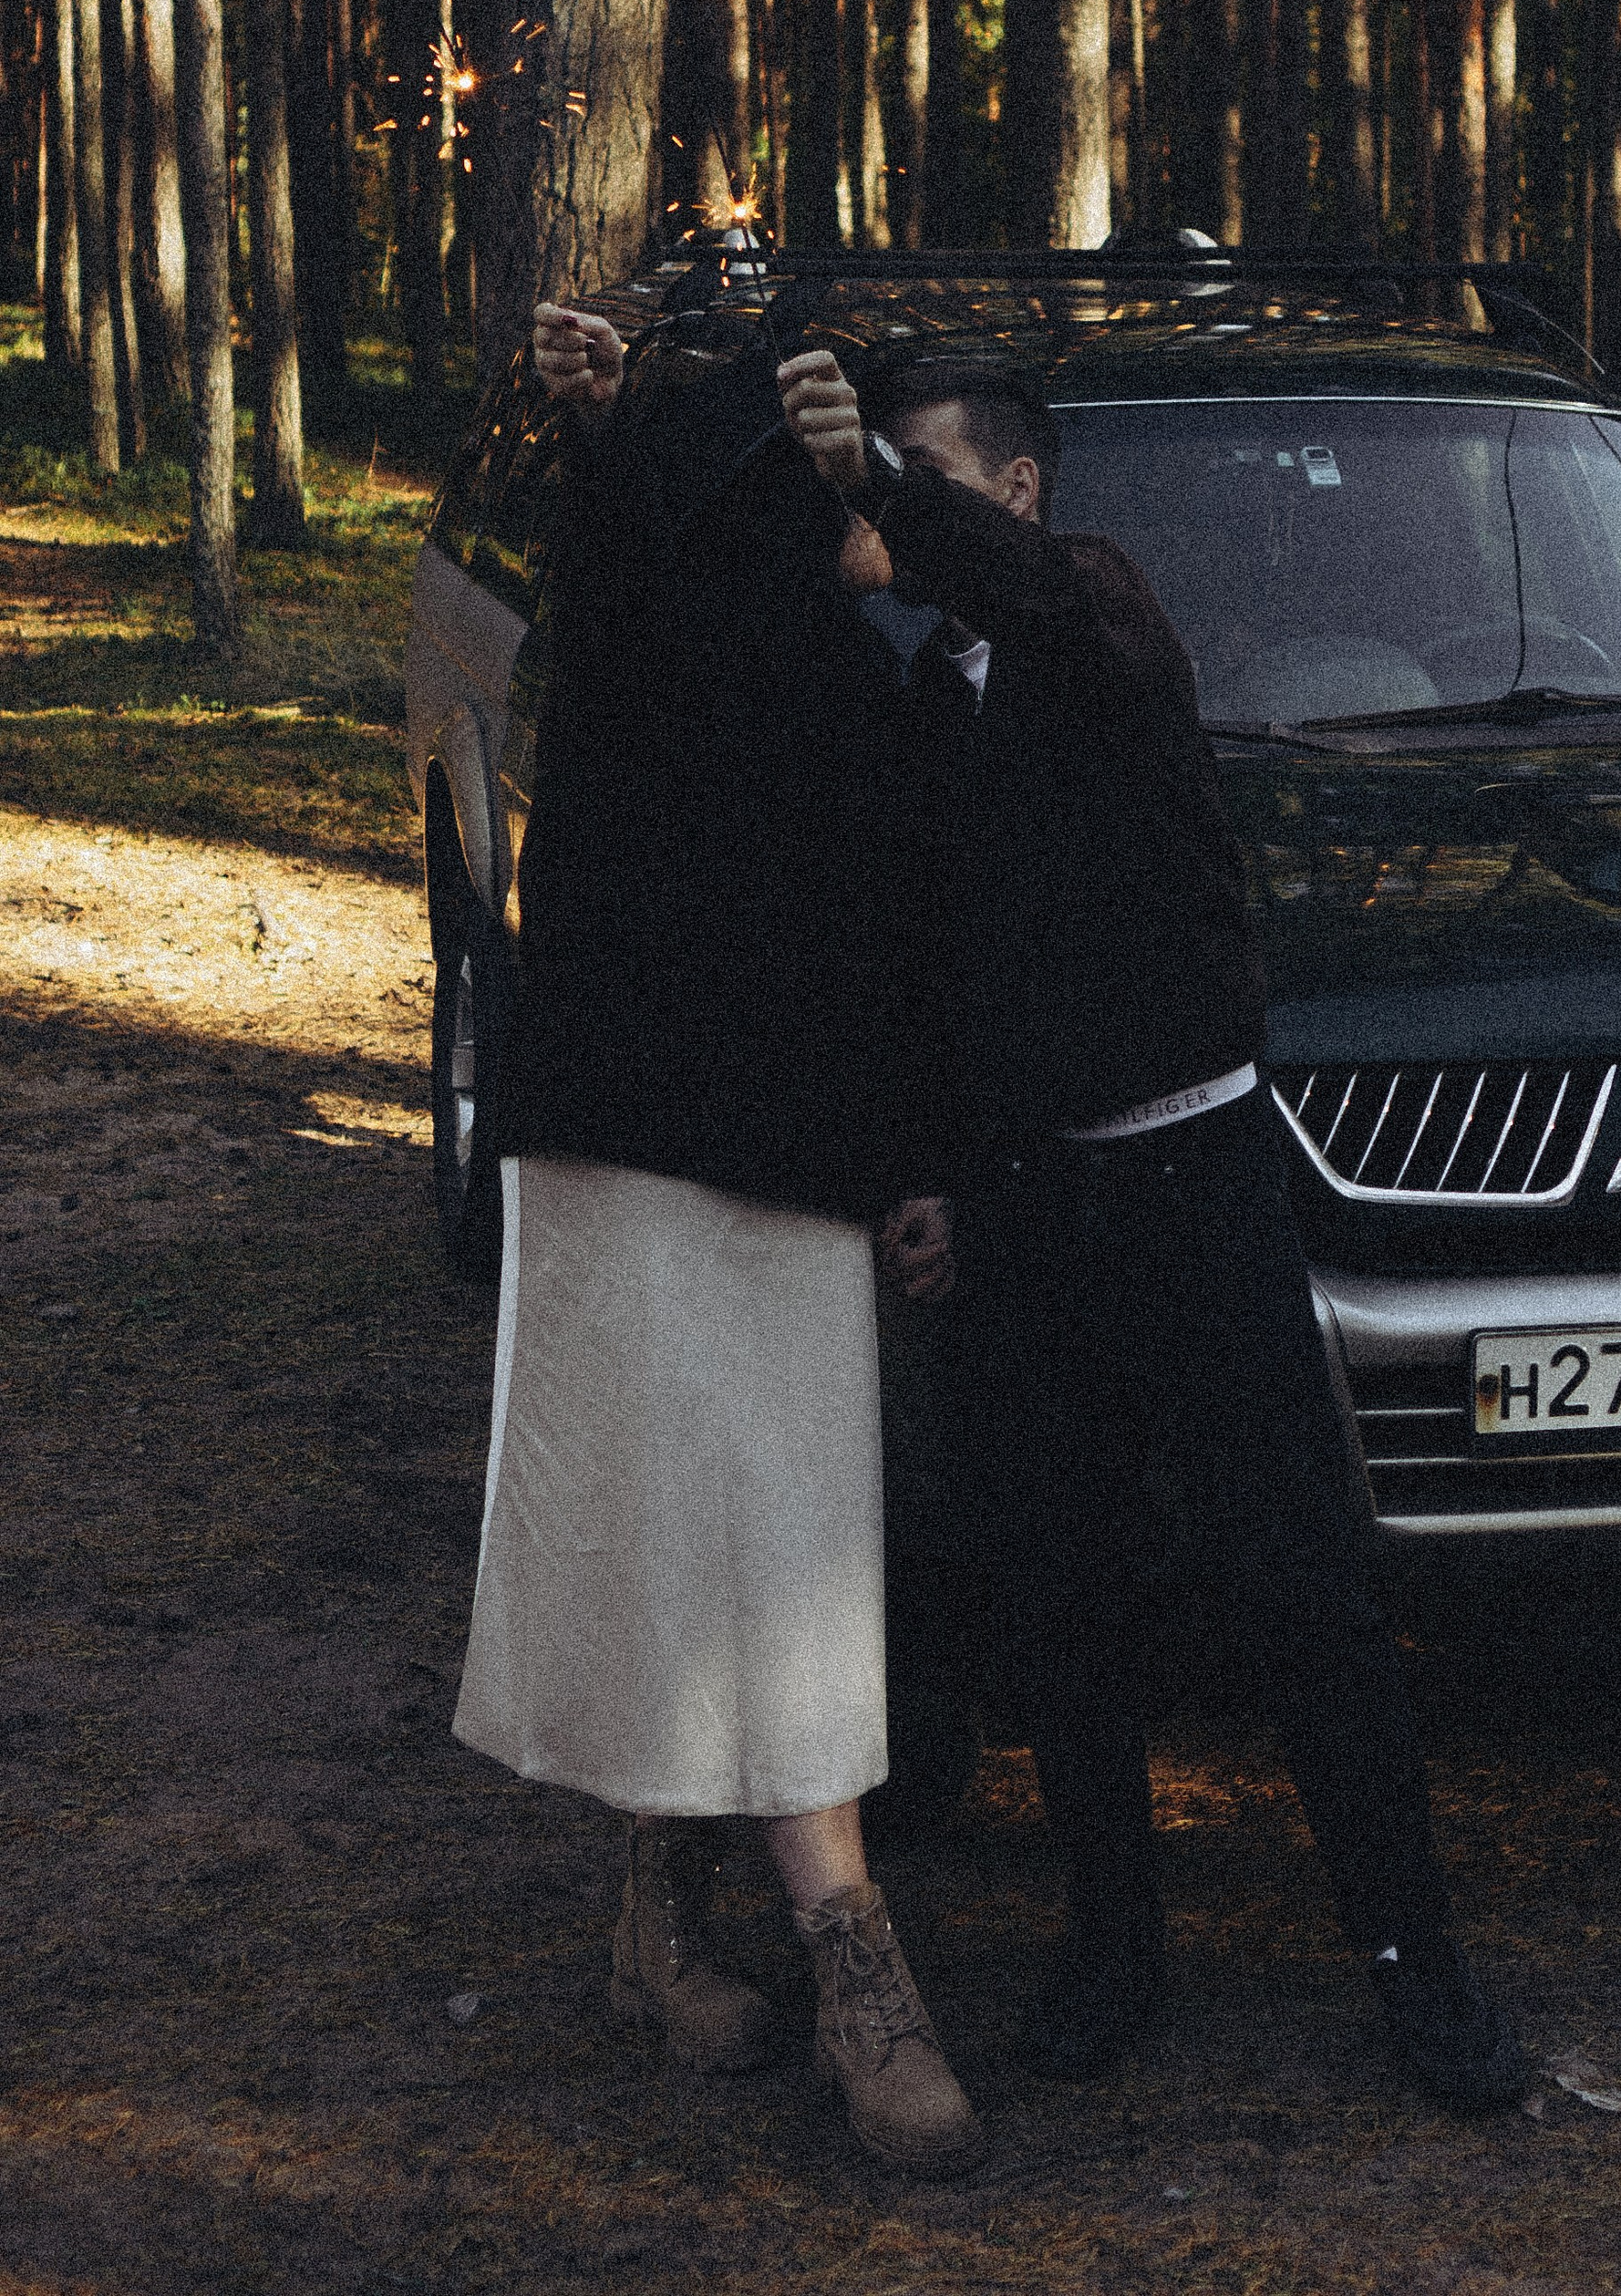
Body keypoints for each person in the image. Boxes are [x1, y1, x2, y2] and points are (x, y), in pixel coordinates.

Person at [781, 342, 1529, 2114]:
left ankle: (1417, 1972)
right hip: (1028, 1212)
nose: (872, 499)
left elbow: (1029, 589)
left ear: (1011, 488)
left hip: (1196, 1189)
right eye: (863, 475)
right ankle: (1111, 1945)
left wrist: (873, 484)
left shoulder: (1095, 612)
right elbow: (919, 975)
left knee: (1301, 1594)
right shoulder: (922, 701)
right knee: (1057, 1589)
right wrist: (924, 1180)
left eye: (914, 470)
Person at [449, 301, 980, 2178]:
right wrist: (612, 433)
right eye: (821, 487)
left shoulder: (844, 673)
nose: (862, 528)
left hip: (790, 1172)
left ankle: (706, 1929)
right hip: (627, 1154)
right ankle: (825, 1956)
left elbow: (897, 956)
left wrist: (913, 1164)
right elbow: (616, 574)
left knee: (779, 1544)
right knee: (678, 1536)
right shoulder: (683, 668)